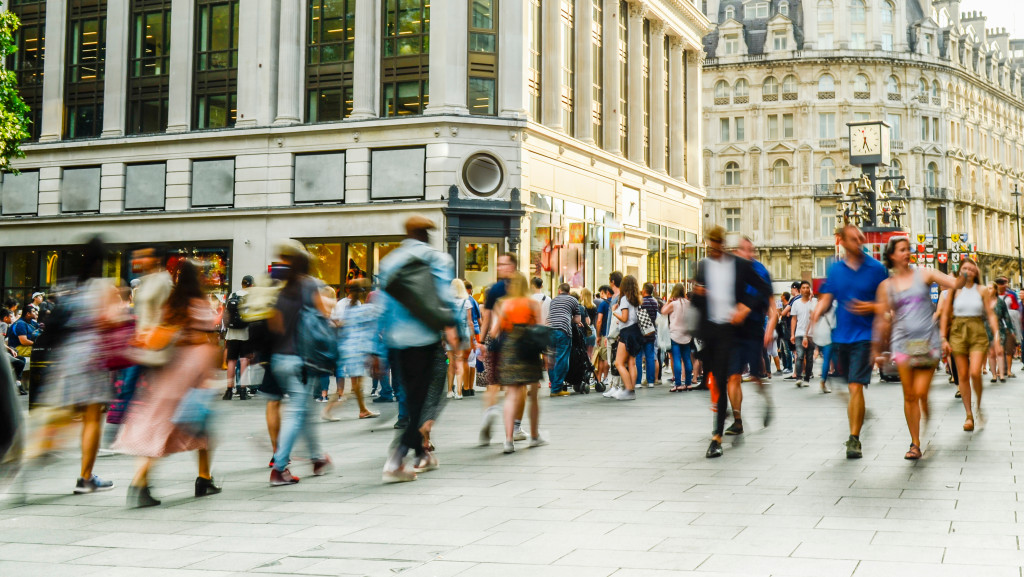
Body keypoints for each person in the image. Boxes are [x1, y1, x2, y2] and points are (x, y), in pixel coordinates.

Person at [114, 260, 223, 507]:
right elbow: (208, 340)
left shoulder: (171, 303)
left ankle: (198, 478)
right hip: (192, 372)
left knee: (179, 425)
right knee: (194, 423)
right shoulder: (199, 304)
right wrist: (209, 375)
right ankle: (145, 482)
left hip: (171, 370)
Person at [373, 216, 457, 482]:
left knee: (409, 400)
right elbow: (445, 298)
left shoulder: (389, 261)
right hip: (427, 340)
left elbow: (382, 307)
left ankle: (422, 454)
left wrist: (375, 348)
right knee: (429, 401)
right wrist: (458, 332)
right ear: (426, 234)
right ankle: (396, 460)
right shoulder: (438, 260)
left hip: (396, 342)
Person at [39, 236, 120, 493]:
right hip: (91, 357)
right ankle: (86, 477)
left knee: (63, 412)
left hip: (67, 357)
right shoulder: (103, 287)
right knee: (92, 418)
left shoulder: (70, 284)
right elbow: (109, 321)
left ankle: (37, 451)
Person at [874, 237, 967, 460]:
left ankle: (923, 419)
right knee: (909, 395)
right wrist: (877, 349)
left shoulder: (924, 274)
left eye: (909, 249)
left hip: (927, 342)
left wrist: (963, 271)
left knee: (921, 392)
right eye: (902, 250)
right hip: (902, 343)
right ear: (892, 255)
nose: (907, 253)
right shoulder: (886, 286)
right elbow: (882, 319)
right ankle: (915, 443)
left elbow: (954, 283)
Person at [810, 225, 889, 459]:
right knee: (845, 386)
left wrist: (872, 307)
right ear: (841, 241)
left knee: (855, 386)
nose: (859, 242)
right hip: (840, 337)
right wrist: (817, 312)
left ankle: (854, 439)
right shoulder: (836, 270)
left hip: (865, 337)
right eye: (854, 239)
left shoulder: (876, 269)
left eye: (861, 238)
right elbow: (827, 297)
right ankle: (859, 413)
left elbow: (888, 303)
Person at [690, 226, 769, 458]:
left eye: (717, 243)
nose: (713, 248)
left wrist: (745, 307)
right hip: (709, 332)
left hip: (730, 330)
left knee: (724, 379)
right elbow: (696, 300)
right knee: (716, 381)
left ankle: (716, 437)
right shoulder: (703, 266)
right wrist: (698, 295)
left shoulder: (738, 265)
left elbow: (763, 288)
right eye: (710, 244)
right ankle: (723, 418)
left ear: (722, 243)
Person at [267, 240, 333, 486]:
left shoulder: (280, 288)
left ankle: (317, 458)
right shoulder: (310, 285)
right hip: (301, 360)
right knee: (297, 412)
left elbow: (274, 325)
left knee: (304, 411)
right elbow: (323, 316)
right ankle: (279, 468)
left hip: (279, 358)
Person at [939, 257, 1002, 432]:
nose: (968, 271)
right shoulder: (954, 290)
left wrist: (996, 337)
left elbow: (990, 314)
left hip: (977, 331)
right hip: (958, 331)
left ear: (976, 272)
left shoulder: (982, 290)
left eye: (972, 269)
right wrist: (943, 337)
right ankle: (969, 415)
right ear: (960, 270)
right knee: (963, 375)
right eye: (965, 268)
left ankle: (979, 406)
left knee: (975, 372)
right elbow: (945, 314)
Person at [724, 236, 776, 435]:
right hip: (734, 329)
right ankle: (737, 421)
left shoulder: (760, 270)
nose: (748, 253)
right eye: (744, 249)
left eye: (751, 249)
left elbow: (773, 307)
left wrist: (769, 329)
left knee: (755, 376)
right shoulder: (732, 269)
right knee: (733, 375)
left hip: (754, 328)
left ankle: (765, 398)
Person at [492, 272, 547, 453]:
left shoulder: (503, 304)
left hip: (510, 348)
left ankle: (508, 440)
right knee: (532, 394)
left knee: (511, 395)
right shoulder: (533, 303)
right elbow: (539, 328)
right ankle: (534, 436)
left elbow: (494, 331)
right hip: (528, 348)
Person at [324, 279, 380, 421]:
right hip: (357, 350)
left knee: (354, 386)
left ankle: (361, 409)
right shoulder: (362, 309)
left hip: (348, 349)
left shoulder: (351, 308)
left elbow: (339, 323)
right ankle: (333, 410)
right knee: (355, 386)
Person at [478, 254, 517, 445]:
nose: (500, 267)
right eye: (499, 264)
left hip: (495, 340)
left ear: (512, 266)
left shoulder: (493, 290)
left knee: (492, 383)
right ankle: (513, 429)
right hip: (515, 343)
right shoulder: (521, 287)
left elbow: (486, 318)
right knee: (513, 387)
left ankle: (490, 411)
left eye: (503, 264)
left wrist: (482, 342)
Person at [610, 275, 644, 401]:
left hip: (627, 333)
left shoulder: (624, 299)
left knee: (618, 363)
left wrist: (614, 312)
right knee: (631, 363)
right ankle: (632, 390)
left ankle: (628, 390)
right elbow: (631, 318)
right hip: (636, 331)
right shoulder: (636, 299)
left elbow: (624, 318)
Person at [547, 283, 581, 396]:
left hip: (550, 331)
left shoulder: (553, 300)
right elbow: (577, 319)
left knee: (551, 359)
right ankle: (556, 389)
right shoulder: (573, 300)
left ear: (558, 291)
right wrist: (569, 319)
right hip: (563, 331)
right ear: (569, 291)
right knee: (561, 359)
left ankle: (554, 385)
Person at [223, 275, 254, 400]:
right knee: (244, 361)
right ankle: (242, 390)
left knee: (231, 361)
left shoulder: (232, 295)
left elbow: (227, 314)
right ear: (251, 285)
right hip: (245, 334)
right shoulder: (250, 297)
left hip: (232, 334)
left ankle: (229, 390)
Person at [445, 279, 474, 400]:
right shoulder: (466, 302)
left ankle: (449, 391)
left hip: (450, 333)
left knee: (451, 362)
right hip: (462, 334)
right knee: (460, 361)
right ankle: (459, 392)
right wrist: (472, 337)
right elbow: (470, 321)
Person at [661, 283, 693, 392]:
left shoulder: (673, 304)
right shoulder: (689, 303)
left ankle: (678, 384)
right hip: (687, 334)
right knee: (687, 359)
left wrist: (667, 302)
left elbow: (663, 311)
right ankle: (688, 383)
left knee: (677, 359)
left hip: (675, 334)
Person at [787, 281, 818, 387]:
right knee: (799, 355)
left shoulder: (814, 302)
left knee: (809, 358)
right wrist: (792, 334)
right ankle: (799, 378)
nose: (805, 289)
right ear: (800, 290)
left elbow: (816, 316)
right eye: (803, 287)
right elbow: (794, 319)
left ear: (810, 289)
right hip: (799, 333)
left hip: (811, 335)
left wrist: (812, 301)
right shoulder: (796, 303)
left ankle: (807, 378)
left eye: (807, 287)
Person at [986, 281, 1015, 383]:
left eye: (990, 288)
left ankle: (1001, 374)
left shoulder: (1000, 302)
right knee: (991, 353)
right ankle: (994, 375)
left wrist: (1011, 329)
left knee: (1000, 351)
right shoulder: (984, 302)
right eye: (987, 288)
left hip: (999, 328)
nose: (988, 290)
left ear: (995, 290)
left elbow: (1006, 316)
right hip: (987, 328)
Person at [594, 285, 612, 384]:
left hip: (604, 334)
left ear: (604, 292)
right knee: (605, 357)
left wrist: (598, 335)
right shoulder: (615, 302)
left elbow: (599, 320)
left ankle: (602, 378)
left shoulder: (603, 304)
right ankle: (602, 378)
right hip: (613, 333)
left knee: (602, 357)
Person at [580, 288, 598, 358]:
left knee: (582, 354)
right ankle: (590, 368)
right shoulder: (594, 307)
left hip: (583, 330)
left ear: (583, 295)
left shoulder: (581, 307)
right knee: (590, 354)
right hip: (591, 330)